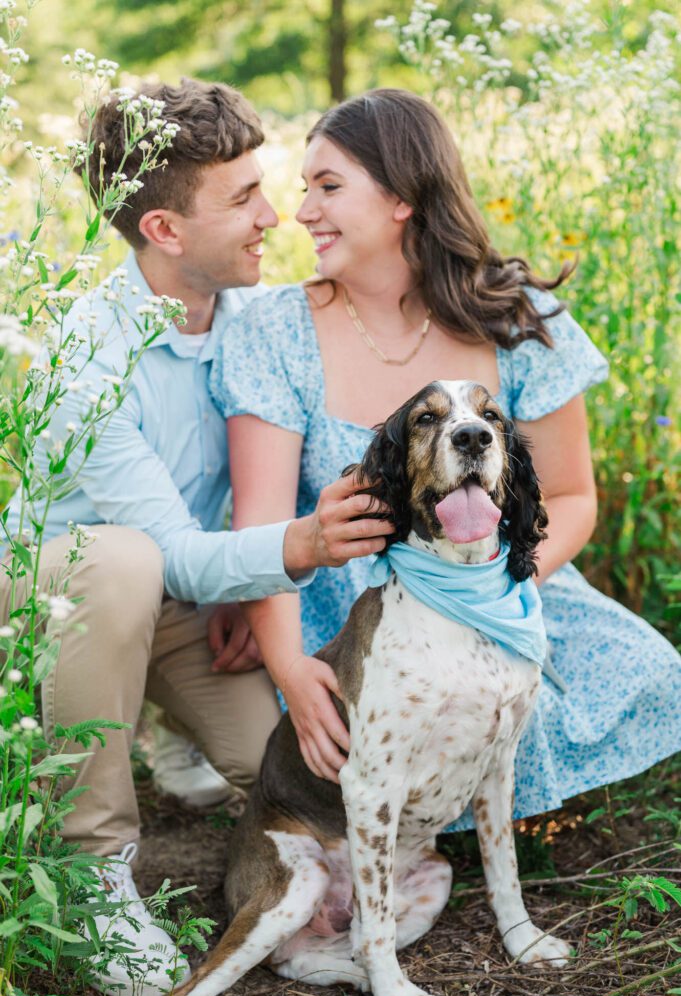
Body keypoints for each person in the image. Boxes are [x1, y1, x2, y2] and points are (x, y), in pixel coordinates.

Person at [0, 79, 393, 996]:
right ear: (165, 233)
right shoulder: (84, 350)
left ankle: (163, 710)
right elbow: (167, 548)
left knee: (295, 768)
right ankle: (95, 869)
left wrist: (252, 596)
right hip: (58, 596)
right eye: (242, 199)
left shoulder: (264, 317)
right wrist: (294, 548)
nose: (275, 215)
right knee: (122, 561)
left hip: (190, 601)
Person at [211, 88, 681, 815]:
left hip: (497, 583)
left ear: (402, 196)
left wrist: (494, 589)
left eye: (328, 187)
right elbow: (261, 526)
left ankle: (486, 817)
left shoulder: (517, 318)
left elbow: (570, 496)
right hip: (347, 612)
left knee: (646, 670)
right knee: (318, 746)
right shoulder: (277, 330)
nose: (302, 211)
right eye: (305, 189)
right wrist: (291, 669)